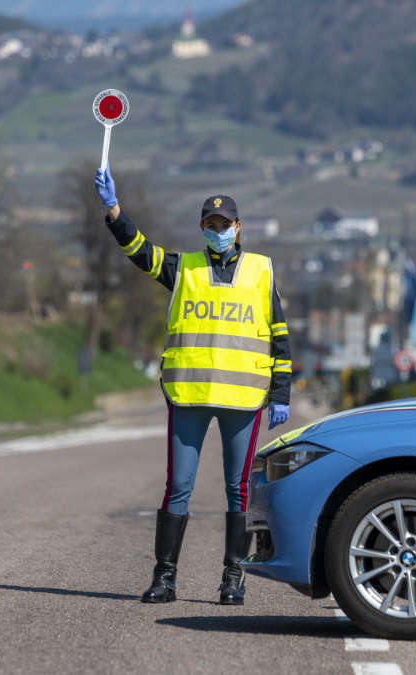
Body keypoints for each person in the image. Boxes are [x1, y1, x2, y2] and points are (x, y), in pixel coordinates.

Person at [94, 167, 291, 606]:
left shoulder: (261, 273)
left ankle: (233, 578)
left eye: (224, 225)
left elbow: (280, 335)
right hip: (189, 394)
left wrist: (281, 392)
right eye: (210, 225)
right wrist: (114, 211)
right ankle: (164, 579)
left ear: (238, 228)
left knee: (237, 489)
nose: (217, 231)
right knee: (178, 486)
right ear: (202, 229)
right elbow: (139, 252)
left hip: (243, 398)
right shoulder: (185, 267)